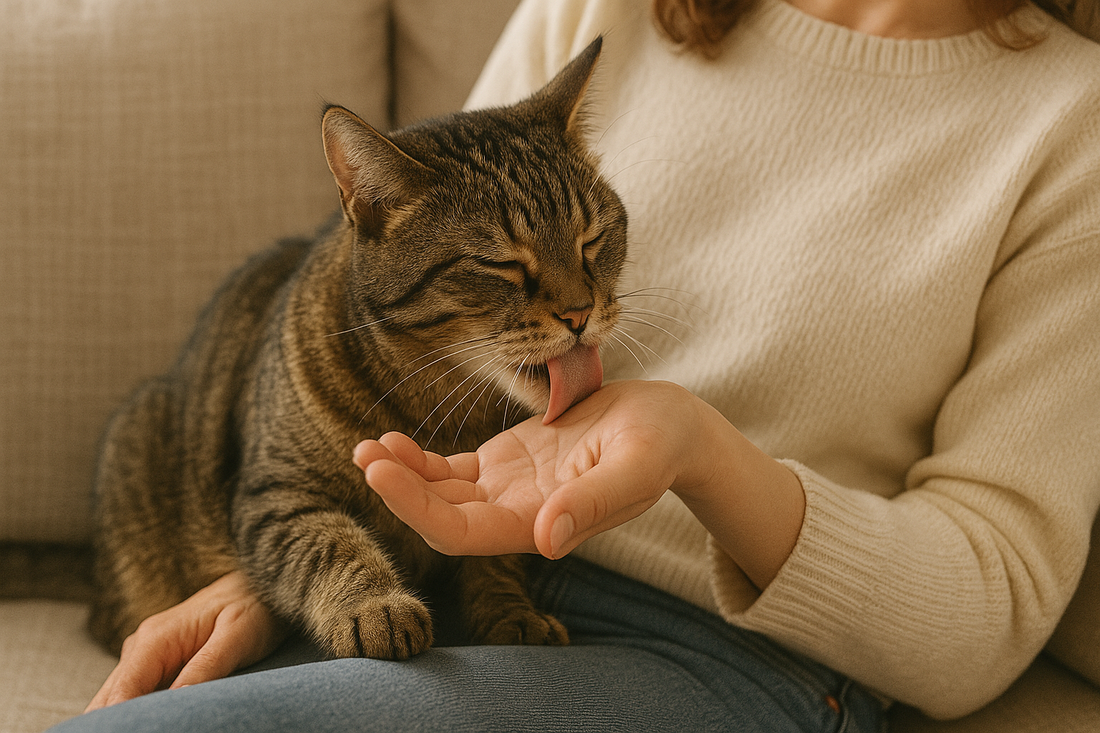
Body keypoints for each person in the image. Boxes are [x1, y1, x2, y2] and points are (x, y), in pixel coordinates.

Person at [55, 0, 1100, 730]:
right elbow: (414, 286)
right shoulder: (616, 10)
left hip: (705, 651)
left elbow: (988, 608)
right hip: (444, 576)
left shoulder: (1073, 123)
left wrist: (697, 452)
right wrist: (288, 570)